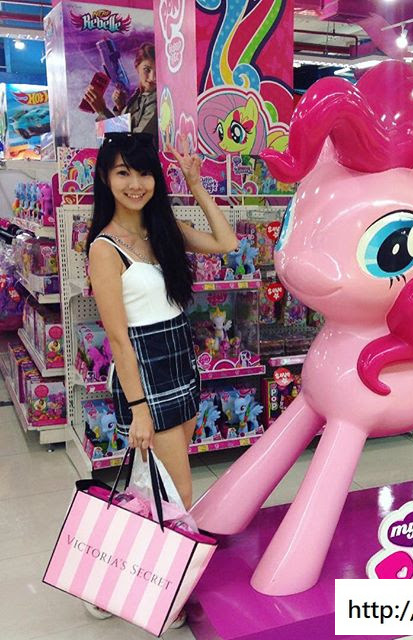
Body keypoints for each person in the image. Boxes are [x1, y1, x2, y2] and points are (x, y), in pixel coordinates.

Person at [84, 131, 237, 624]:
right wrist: (138, 409)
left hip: (179, 359)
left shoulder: (162, 229)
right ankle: (160, 592)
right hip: (144, 371)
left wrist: (195, 182)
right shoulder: (105, 248)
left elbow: (227, 242)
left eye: (144, 172)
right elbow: (118, 338)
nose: (135, 183)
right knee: (178, 493)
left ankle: (106, 581)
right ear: (106, 179)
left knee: (156, 488)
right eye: (123, 172)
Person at [84, 43, 158, 144]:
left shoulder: (155, 101)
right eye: (147, 70)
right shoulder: (139, 94)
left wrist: (102, 111)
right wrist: (121, 107)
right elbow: (127, 128)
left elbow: (134, 145)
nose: (153, 77)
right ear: (137, 67)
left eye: (157, 71)